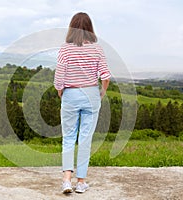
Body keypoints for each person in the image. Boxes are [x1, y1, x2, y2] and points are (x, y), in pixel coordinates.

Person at [54, 12, 111, 194]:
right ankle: (81, 182)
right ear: (90, 28)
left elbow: (59, 77)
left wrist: (61, 91)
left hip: (70, 94)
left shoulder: (65, 48)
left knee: (69, 138)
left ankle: (66, 181)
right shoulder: (97, 49)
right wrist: (102, 92)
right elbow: (106, 76)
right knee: (85, 139)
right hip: (91, 95)